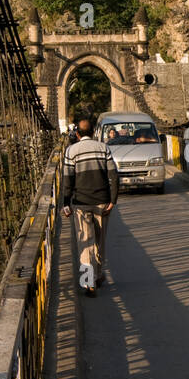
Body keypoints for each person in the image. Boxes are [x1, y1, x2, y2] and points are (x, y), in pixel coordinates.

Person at [62, 117, 119, 297]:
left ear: (77, 134)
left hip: (81, 204)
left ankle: (88, 282)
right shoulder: (104, 148)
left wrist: (65, 203)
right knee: (100, 240)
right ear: (94, 132)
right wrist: (113, 200)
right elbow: (113, 176)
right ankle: (99, 275)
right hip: (102, 201)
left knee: (85, 243)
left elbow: (67, 180)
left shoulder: (71, 151)